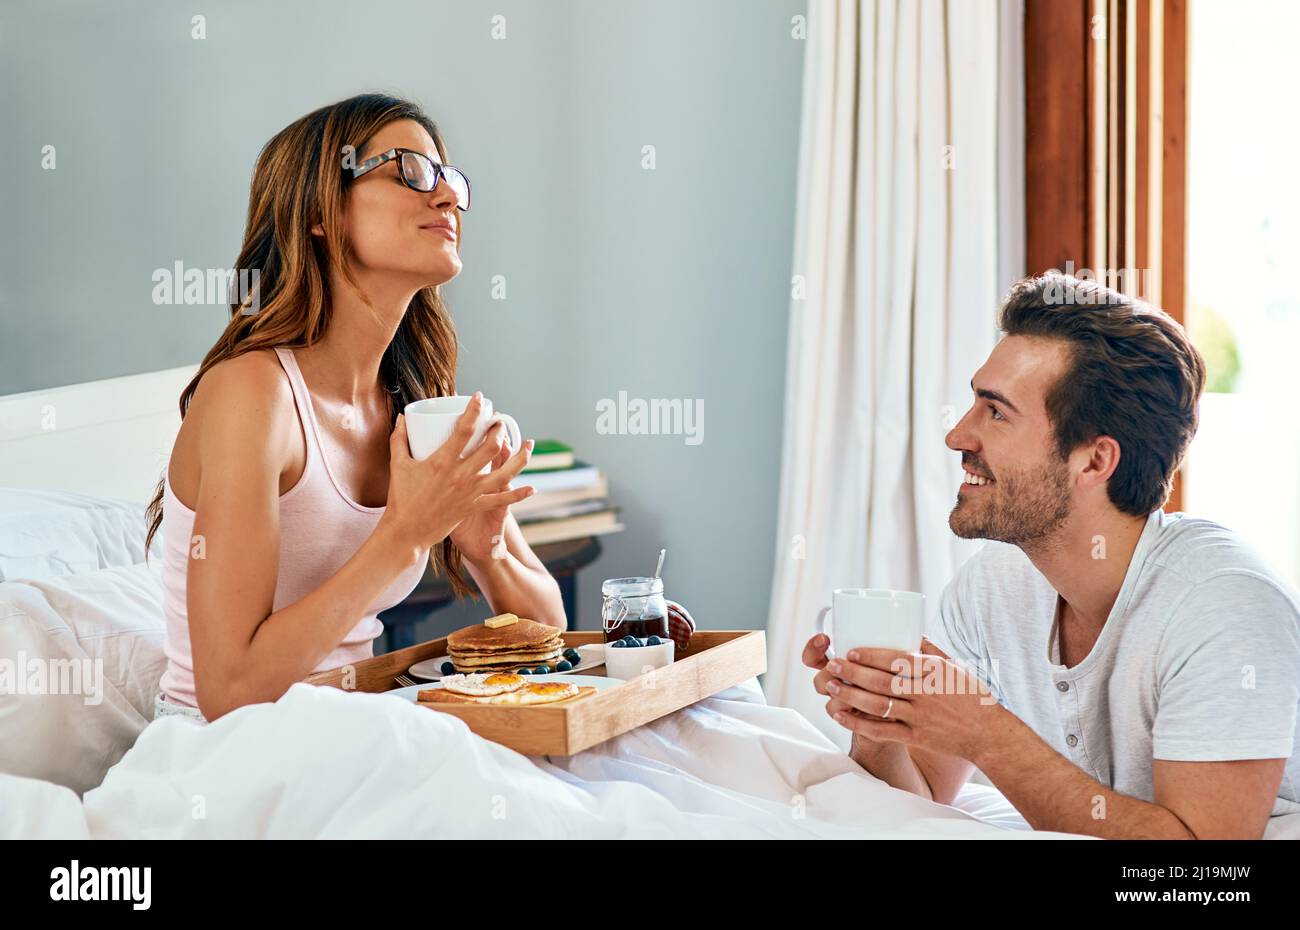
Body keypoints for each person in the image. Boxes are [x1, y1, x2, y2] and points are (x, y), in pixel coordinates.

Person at [804, 272, 1300, 838]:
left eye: (996, 412)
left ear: (1094, 461)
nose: (957, 436)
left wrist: (987, 734)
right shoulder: (993, 586)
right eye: (975, 402)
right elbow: (920, 795)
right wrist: (878, 716)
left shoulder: (1224, 606)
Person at [151, 94, 564, 722]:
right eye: (410, 171)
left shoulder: (417, 407)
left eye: (448, 177)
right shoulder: (253, 395)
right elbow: (229, 692)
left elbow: (551, 635)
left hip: (356, 728)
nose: (446, 197)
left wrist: (489, 551)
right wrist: (404, 536)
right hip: (228, 750)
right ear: (321, 211)